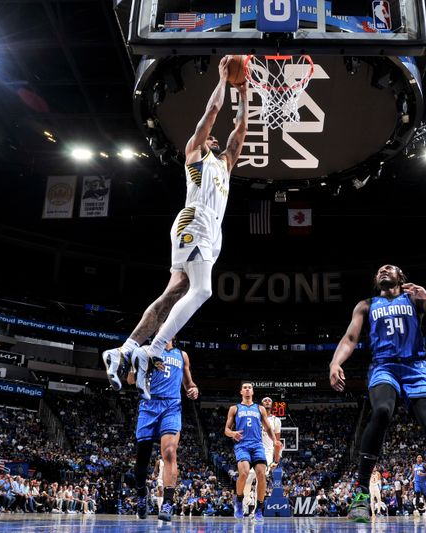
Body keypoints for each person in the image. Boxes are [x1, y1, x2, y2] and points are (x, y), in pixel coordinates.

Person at [103, 56, 249, 387]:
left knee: (175, 293)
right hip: (194, 218)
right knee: (203, 289)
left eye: (215, 138)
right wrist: (224, 80)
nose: (215, 138)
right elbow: (212, 115)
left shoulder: (225, 165)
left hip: (212, 229)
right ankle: (153, 350)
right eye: (212, 137)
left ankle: (124, 349)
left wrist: (244, 91)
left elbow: (241, 127)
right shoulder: (195, 154)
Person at [329, 264, 426, 526]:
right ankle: (361, 493)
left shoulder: (413, 298)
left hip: (415, 367)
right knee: (382, 411)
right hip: (384, 366)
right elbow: (350, 338)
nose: (384, 270)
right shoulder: (366, 304)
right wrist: (335, 363)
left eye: (390, 268)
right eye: (380, 270)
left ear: (401, 277)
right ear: (376, 280)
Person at [128, 338, 198, 522]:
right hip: (149, 404)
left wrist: (193, 390)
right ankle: (142, 494)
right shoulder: (146, 351)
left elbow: (189, 384)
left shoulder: (182, 355)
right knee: (142, 458)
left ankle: (167, 502)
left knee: (169, 451)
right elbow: (130, 380)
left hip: (172, 406)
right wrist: (137, 364)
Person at [224, 382, 282, 524]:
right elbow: (226, 429)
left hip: (257, 445)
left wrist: (274, 440)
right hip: (242, 445)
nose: (248, 389)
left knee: (261, 475)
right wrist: (232, 433)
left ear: (253, 392)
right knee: (243, 473)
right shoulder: (234, 408)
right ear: (241, 392)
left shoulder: (260, 409)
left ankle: (259, 509)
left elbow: (268, 428)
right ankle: (238, 500)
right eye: (245, 387)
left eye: (250, 387)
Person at [243, 396, 282, 515]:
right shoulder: (254, 417)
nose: (267, 402)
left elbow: (278, 441)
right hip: (253, 448)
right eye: (265, 400)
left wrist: (276, 460)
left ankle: (256, 509)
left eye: (269, 400)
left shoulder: (276, 421)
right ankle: (246, 502)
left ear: (272, 404)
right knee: (247, 477)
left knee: (260, 477)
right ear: (261, 404)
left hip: (267, 451)